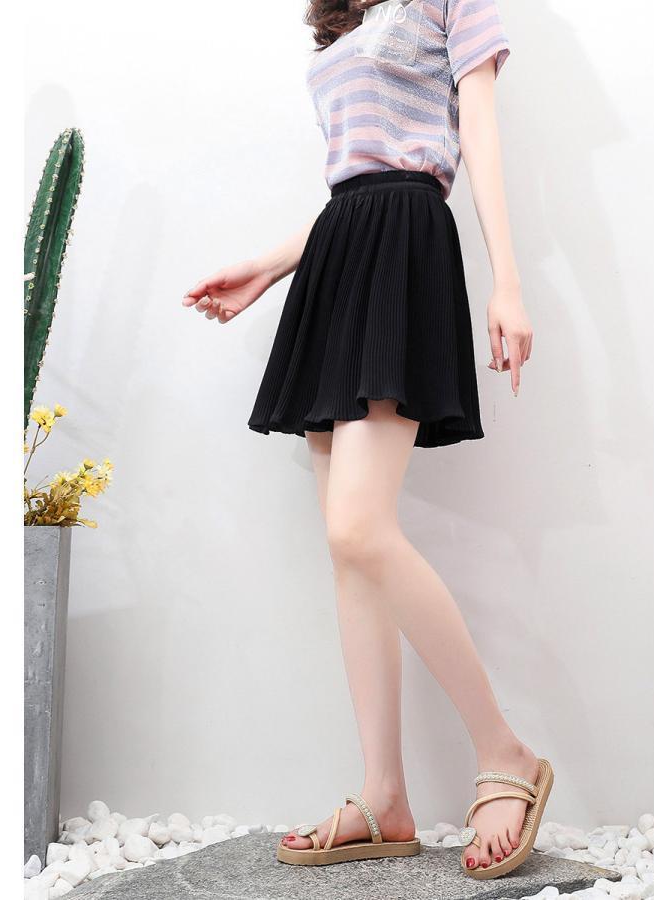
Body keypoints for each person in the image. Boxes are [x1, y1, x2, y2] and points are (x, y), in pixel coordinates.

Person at [183, 0, 550, 881]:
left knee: (359, 528)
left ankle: (505, 751)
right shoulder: (346, 20)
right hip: (340, 250)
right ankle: (385, 795)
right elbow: (354, 170)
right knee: (349, 552)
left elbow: (476, 134)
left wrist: (507, 282)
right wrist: (271, 264)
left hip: (403, 244)